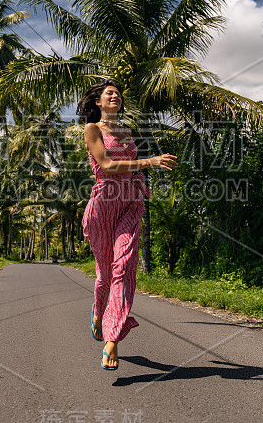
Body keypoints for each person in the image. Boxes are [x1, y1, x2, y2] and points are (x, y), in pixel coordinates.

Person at [77, 80, 177, 370]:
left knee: (124, 268)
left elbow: (130, 168)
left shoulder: (127, 133)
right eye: (109, 93)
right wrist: (148, 162)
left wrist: (141, 181)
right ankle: (98, 312)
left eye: (119, 93)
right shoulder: (92, 130)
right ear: (97, 101)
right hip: (104, 201)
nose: (115, 96)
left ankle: (112, 341)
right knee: (105, 275)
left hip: (130, 202)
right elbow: (106, 166)